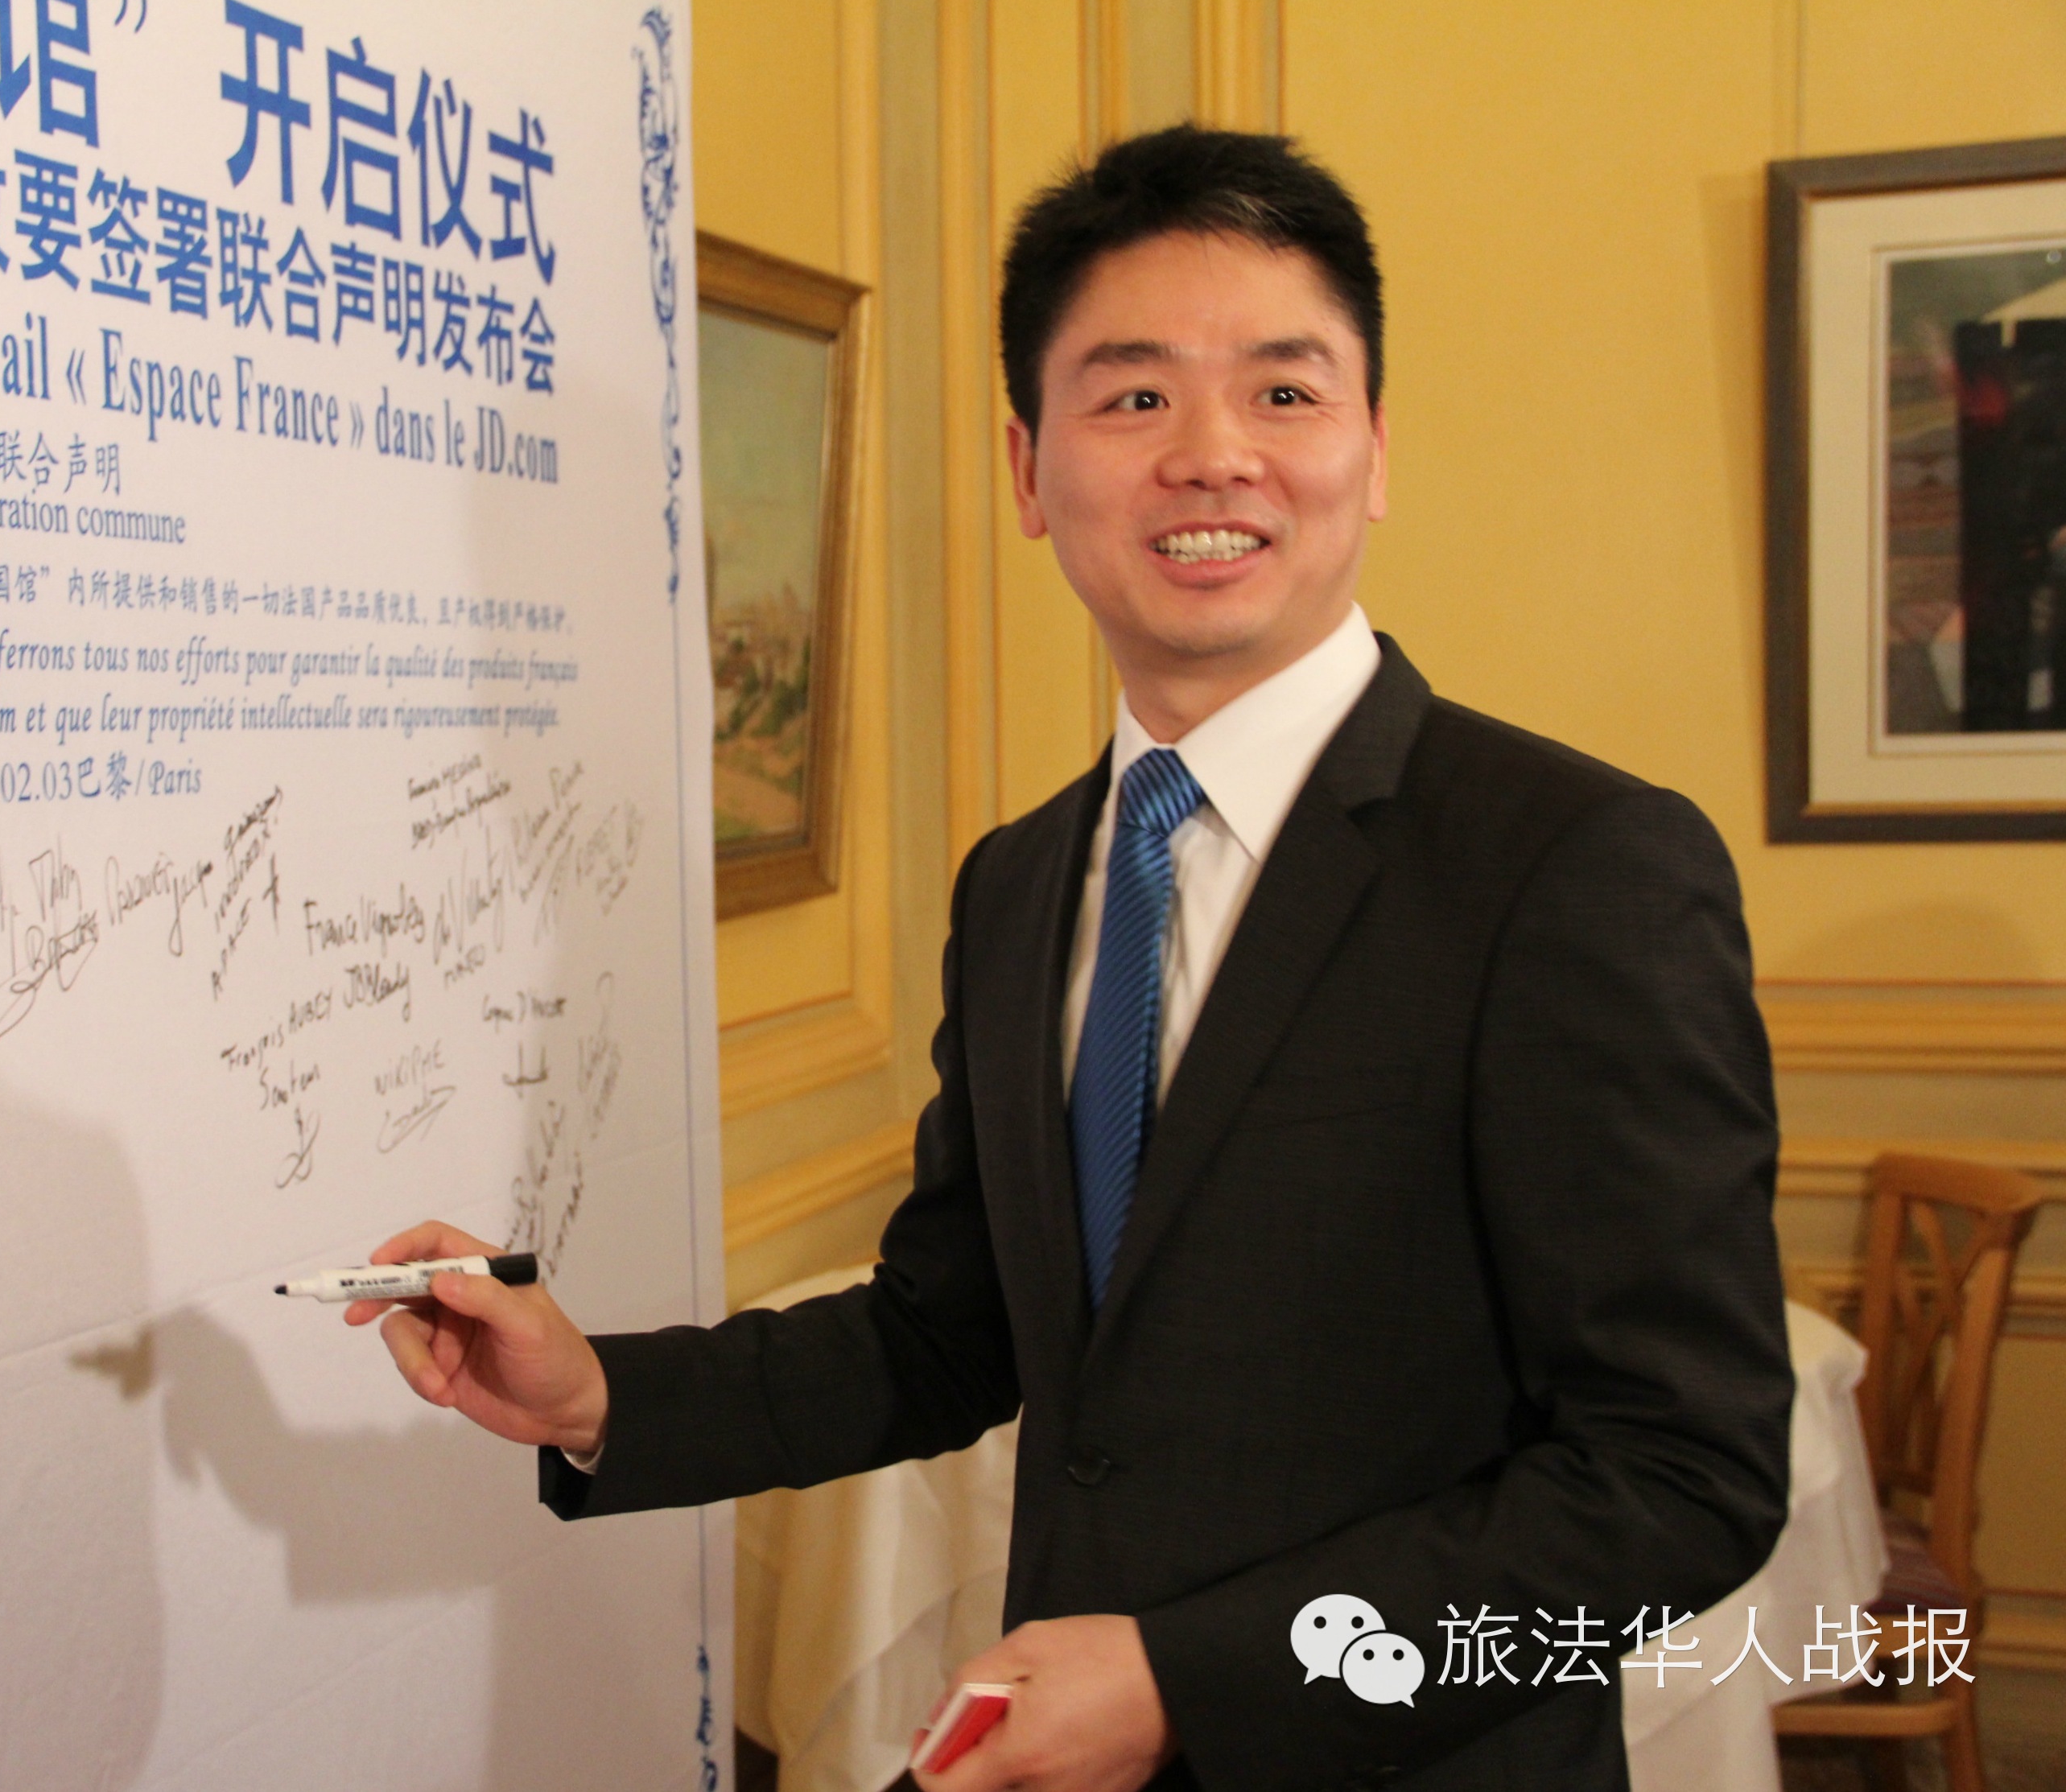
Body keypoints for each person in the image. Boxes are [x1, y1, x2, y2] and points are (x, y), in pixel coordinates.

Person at [348, 126, 1793, 1792]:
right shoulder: (1022, 883)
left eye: (1283, 391)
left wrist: (1193, 1686)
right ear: (1030, 473)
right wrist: (598, 1390)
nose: (1211, 456)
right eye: (1134, 397)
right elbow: (950, 1326)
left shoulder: (1573, 865)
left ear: (1373, 451)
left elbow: (1682, 1474)